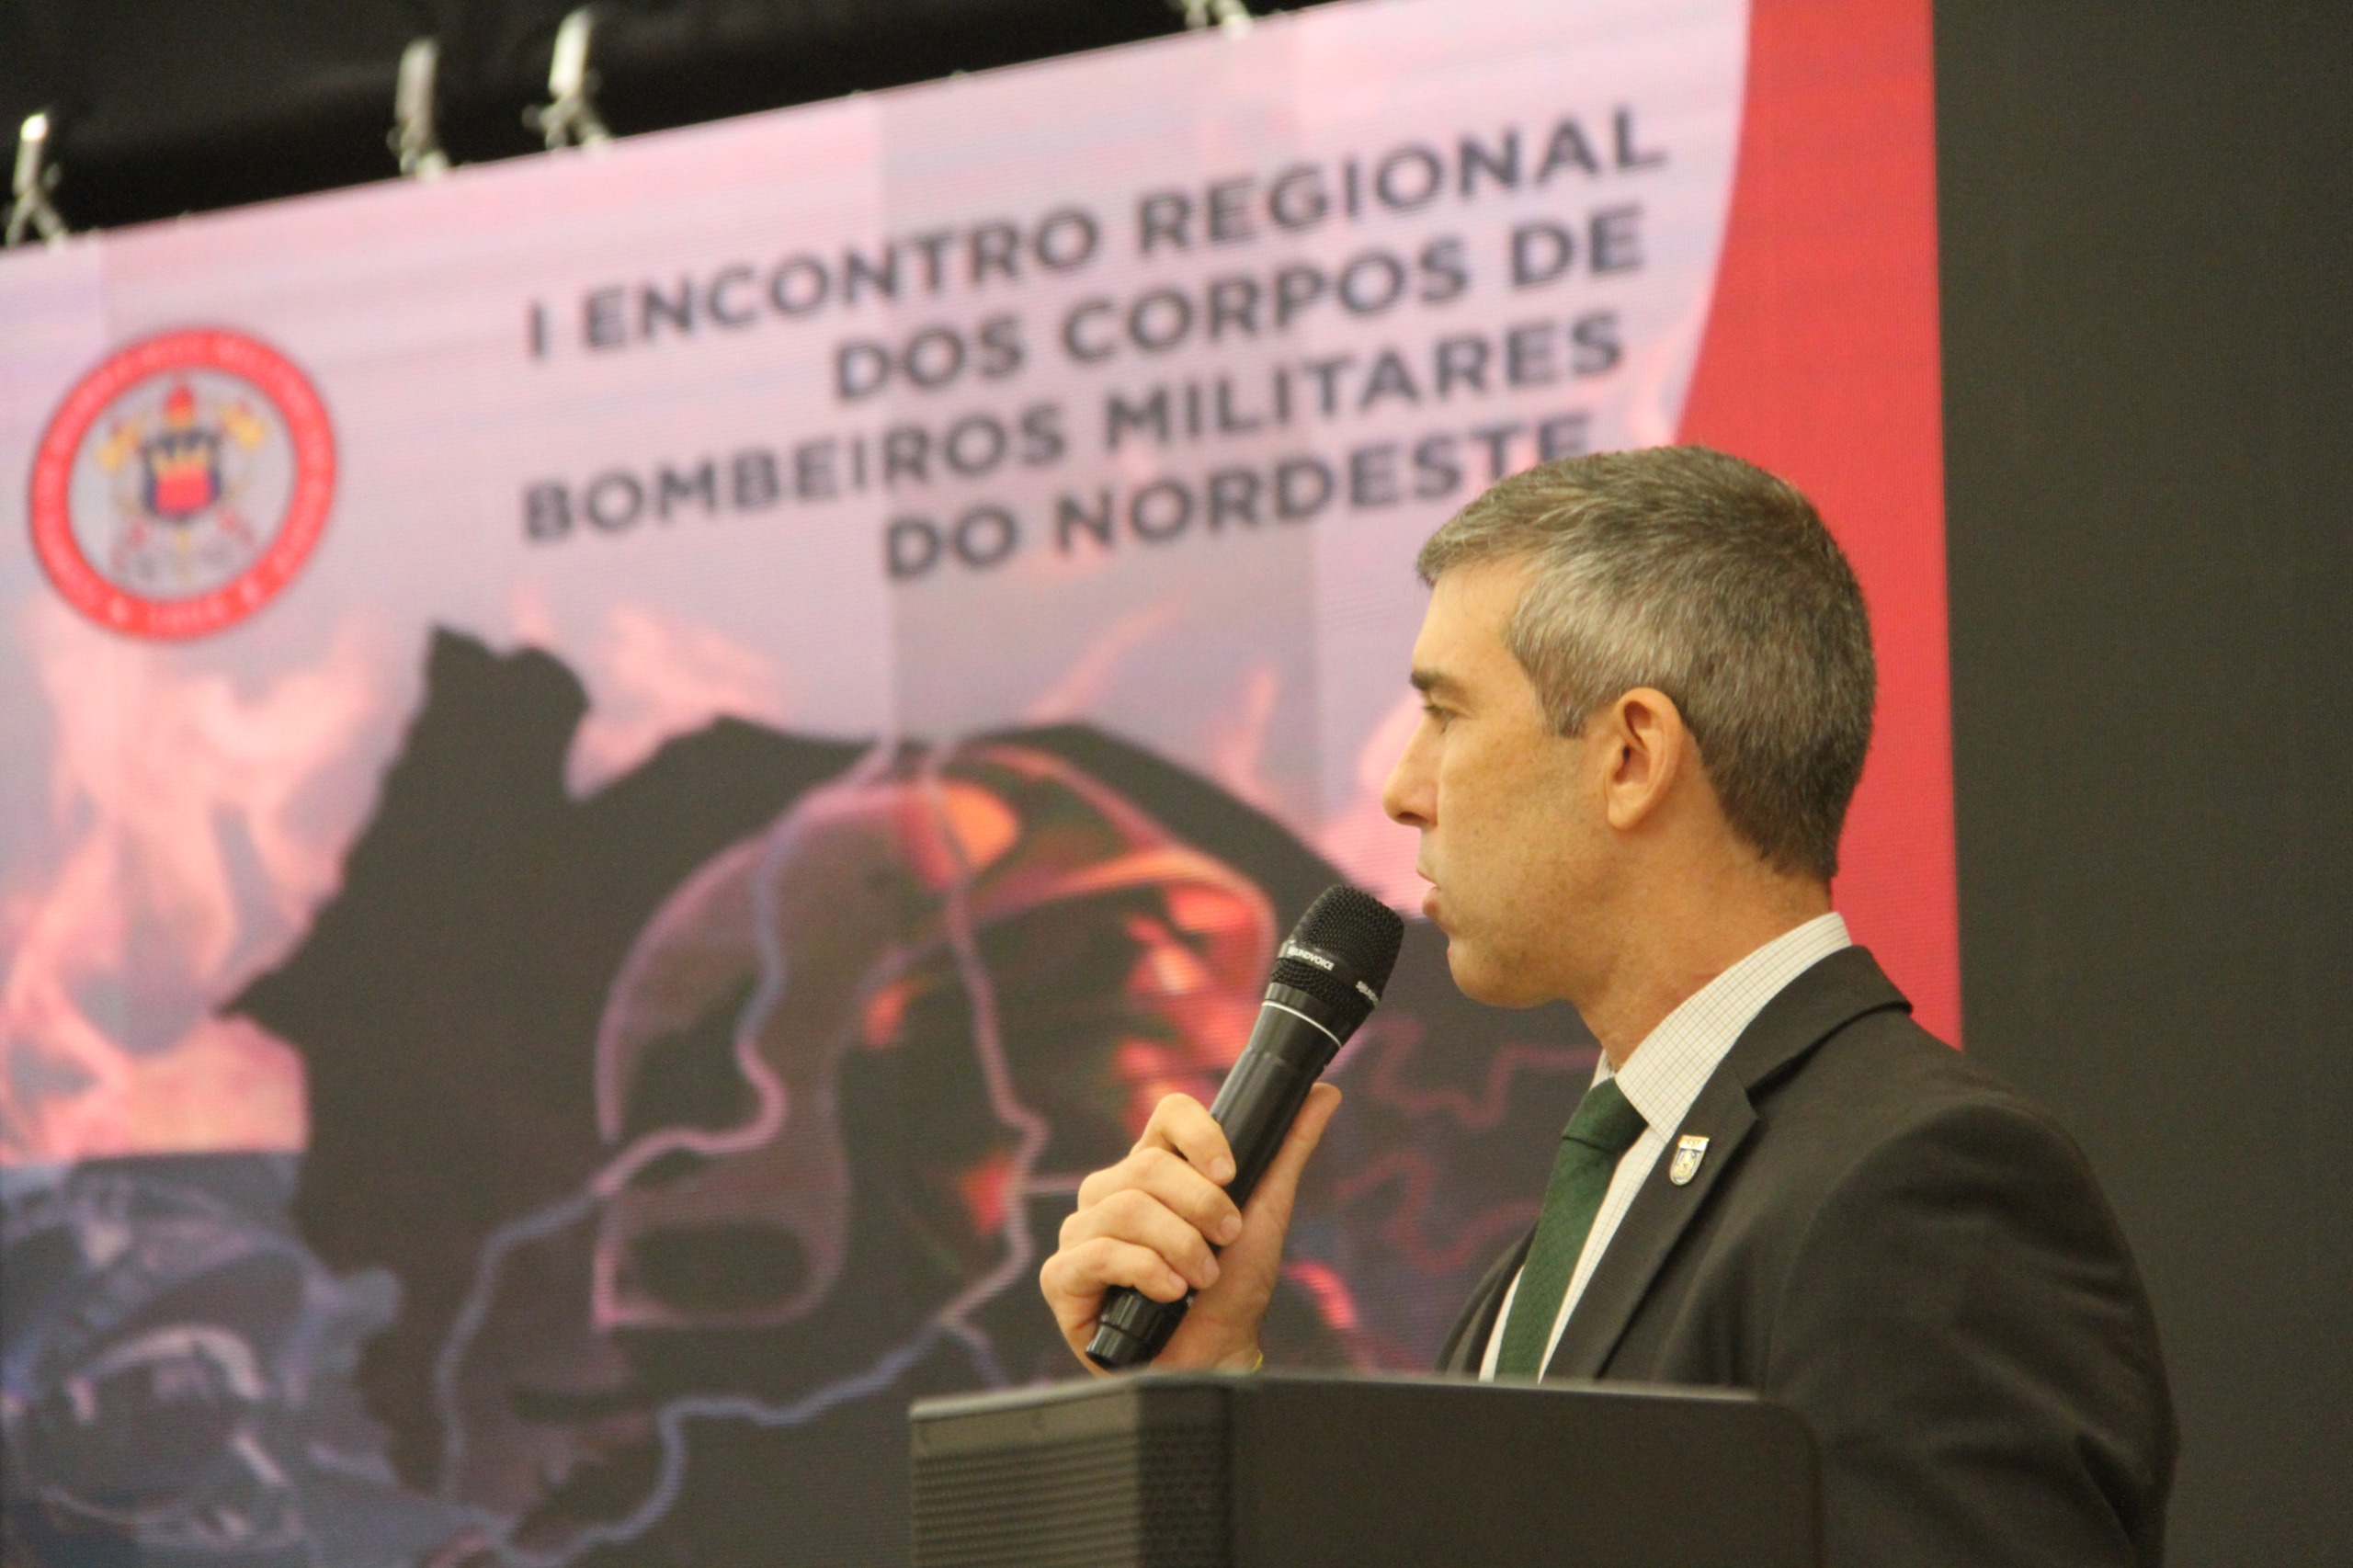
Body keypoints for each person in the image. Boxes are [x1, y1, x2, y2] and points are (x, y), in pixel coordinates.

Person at [1038, 446, 2176, 1567]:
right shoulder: (1562, 1242)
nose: (1401, 788)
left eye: (1447, 713)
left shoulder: (1918, 1184)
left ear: (1630, 755)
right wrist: (1210, 1384)